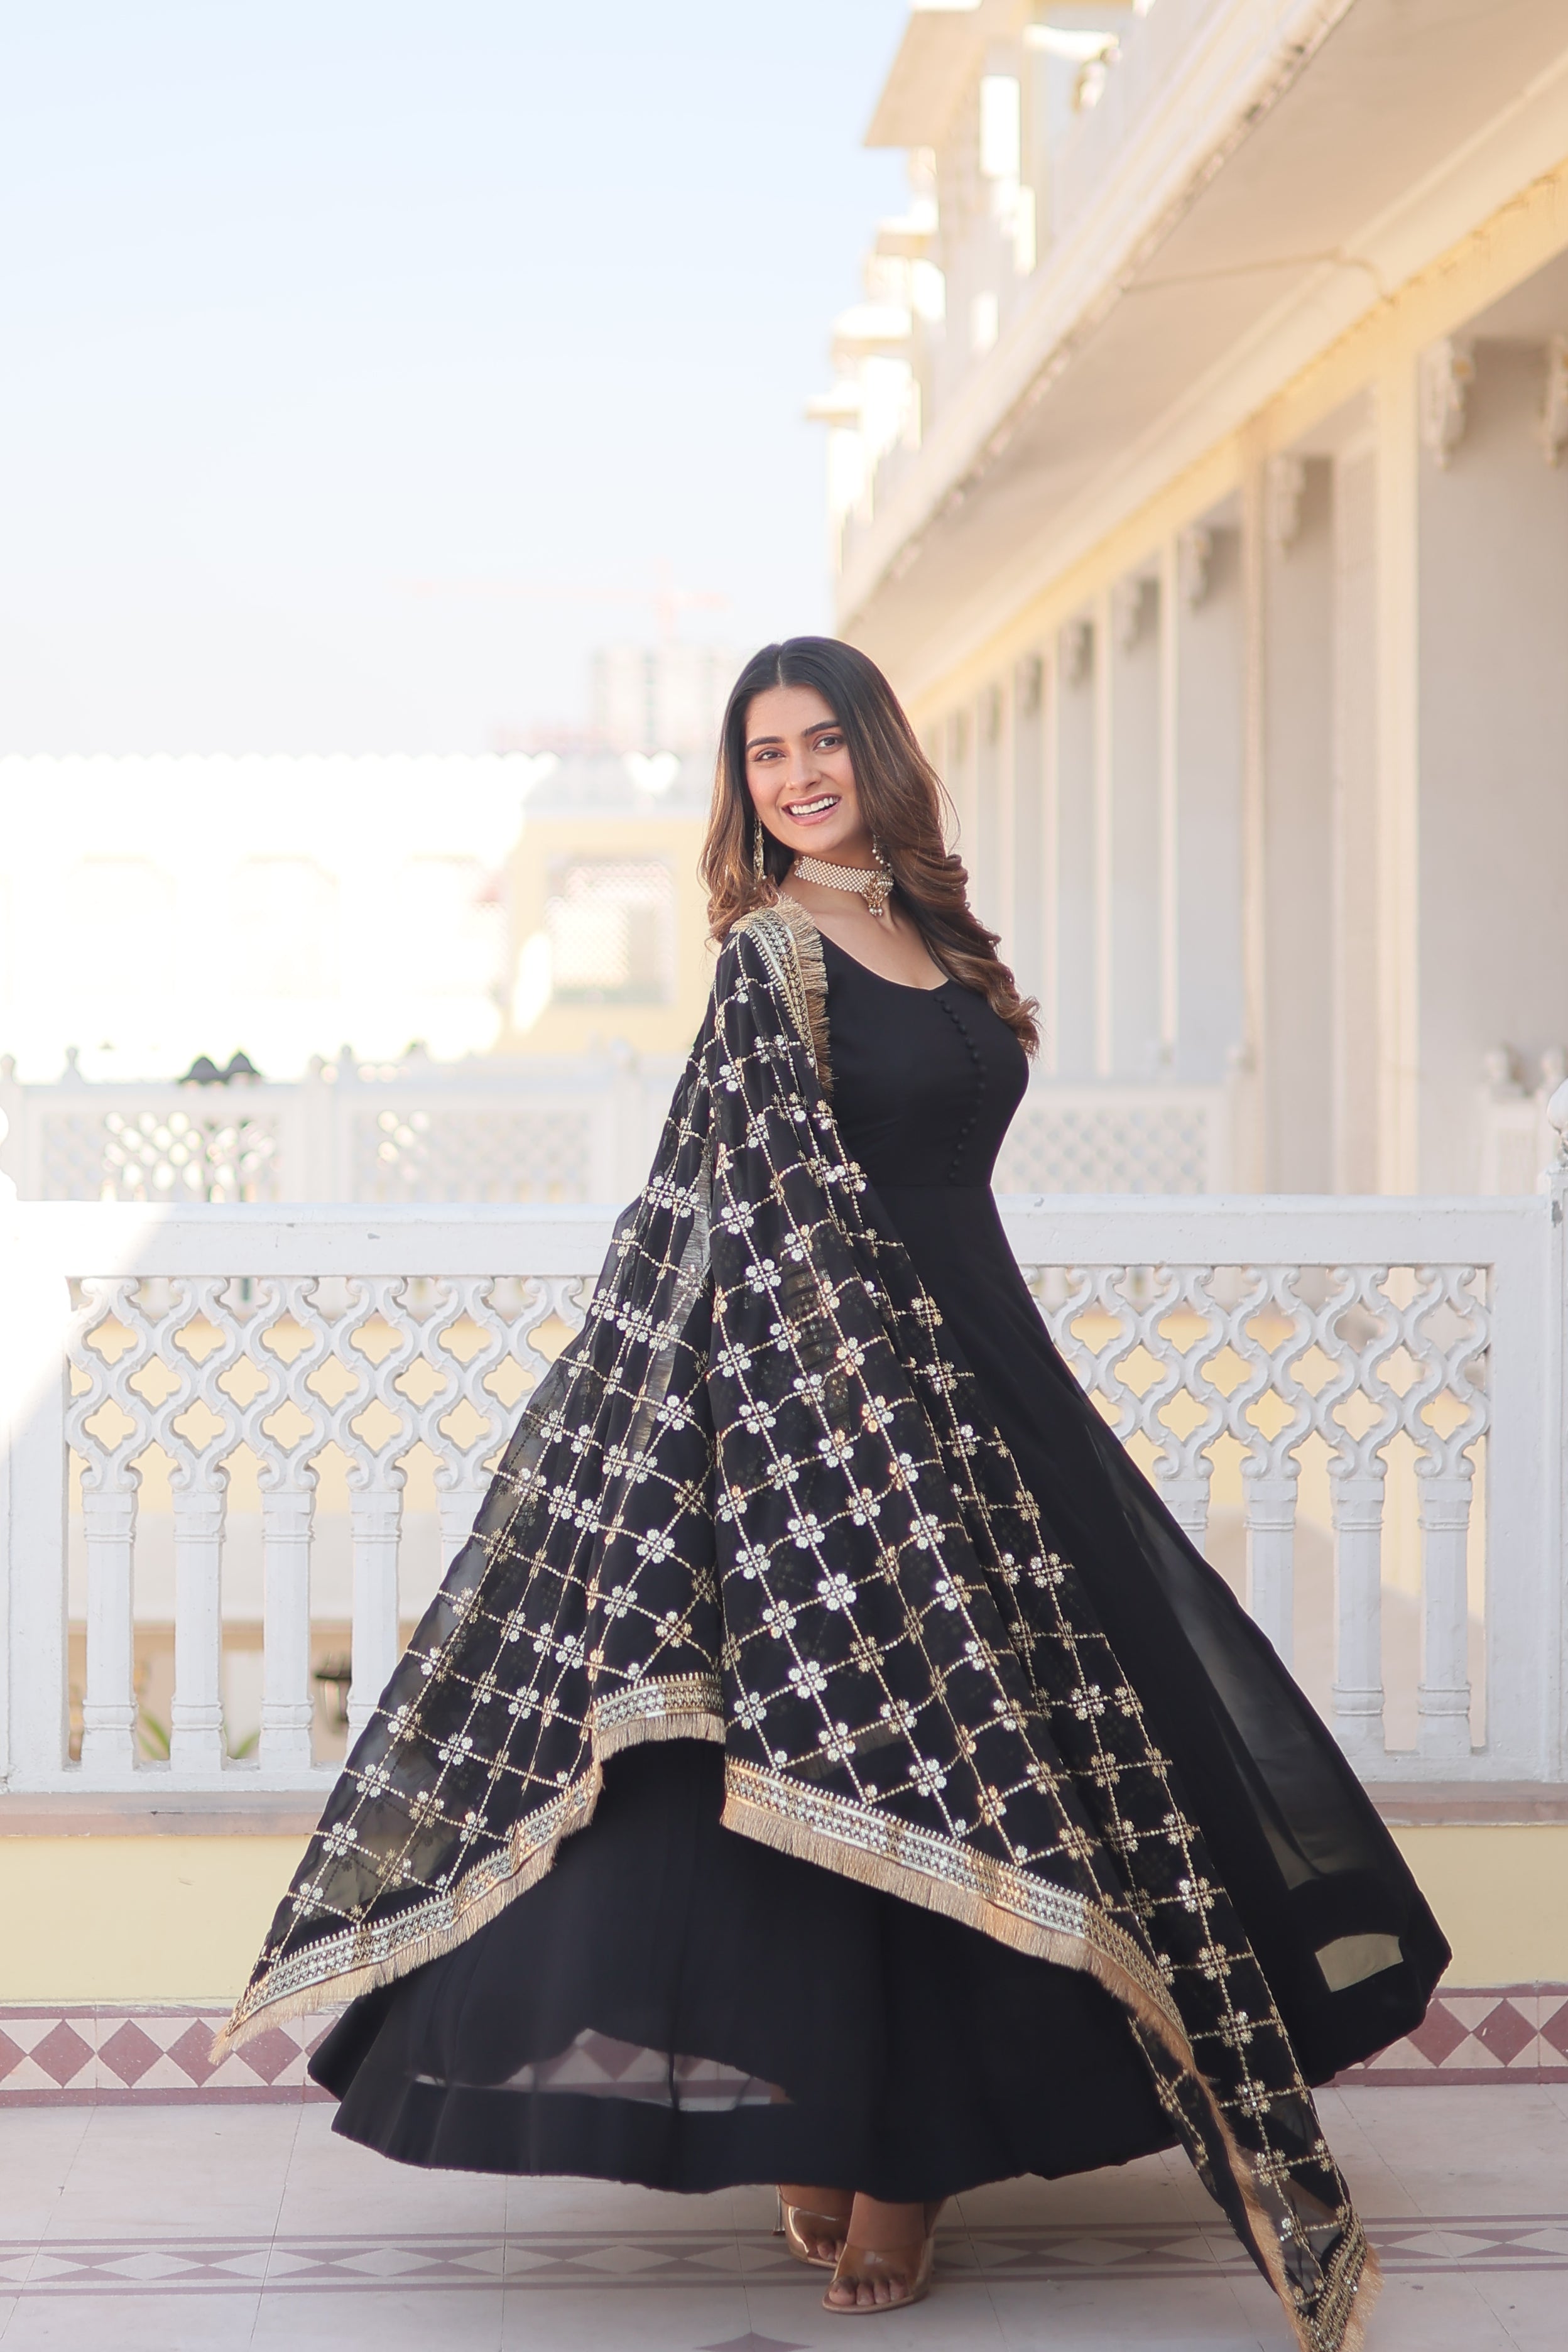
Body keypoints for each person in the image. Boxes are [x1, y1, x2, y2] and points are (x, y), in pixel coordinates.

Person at [217, 637, 1446, 2343]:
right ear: (746, 788)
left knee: (1022, 1761)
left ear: (876, 753)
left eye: (819, 744)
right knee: (838, 1767)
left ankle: (910, 2163)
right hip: (834, 1411)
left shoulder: (936, 939)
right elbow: (750, 1210)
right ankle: (841, 2129)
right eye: (763, 755)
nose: (794, 776)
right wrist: (849, 1433)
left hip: (995, 1384)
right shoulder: (770, 963)